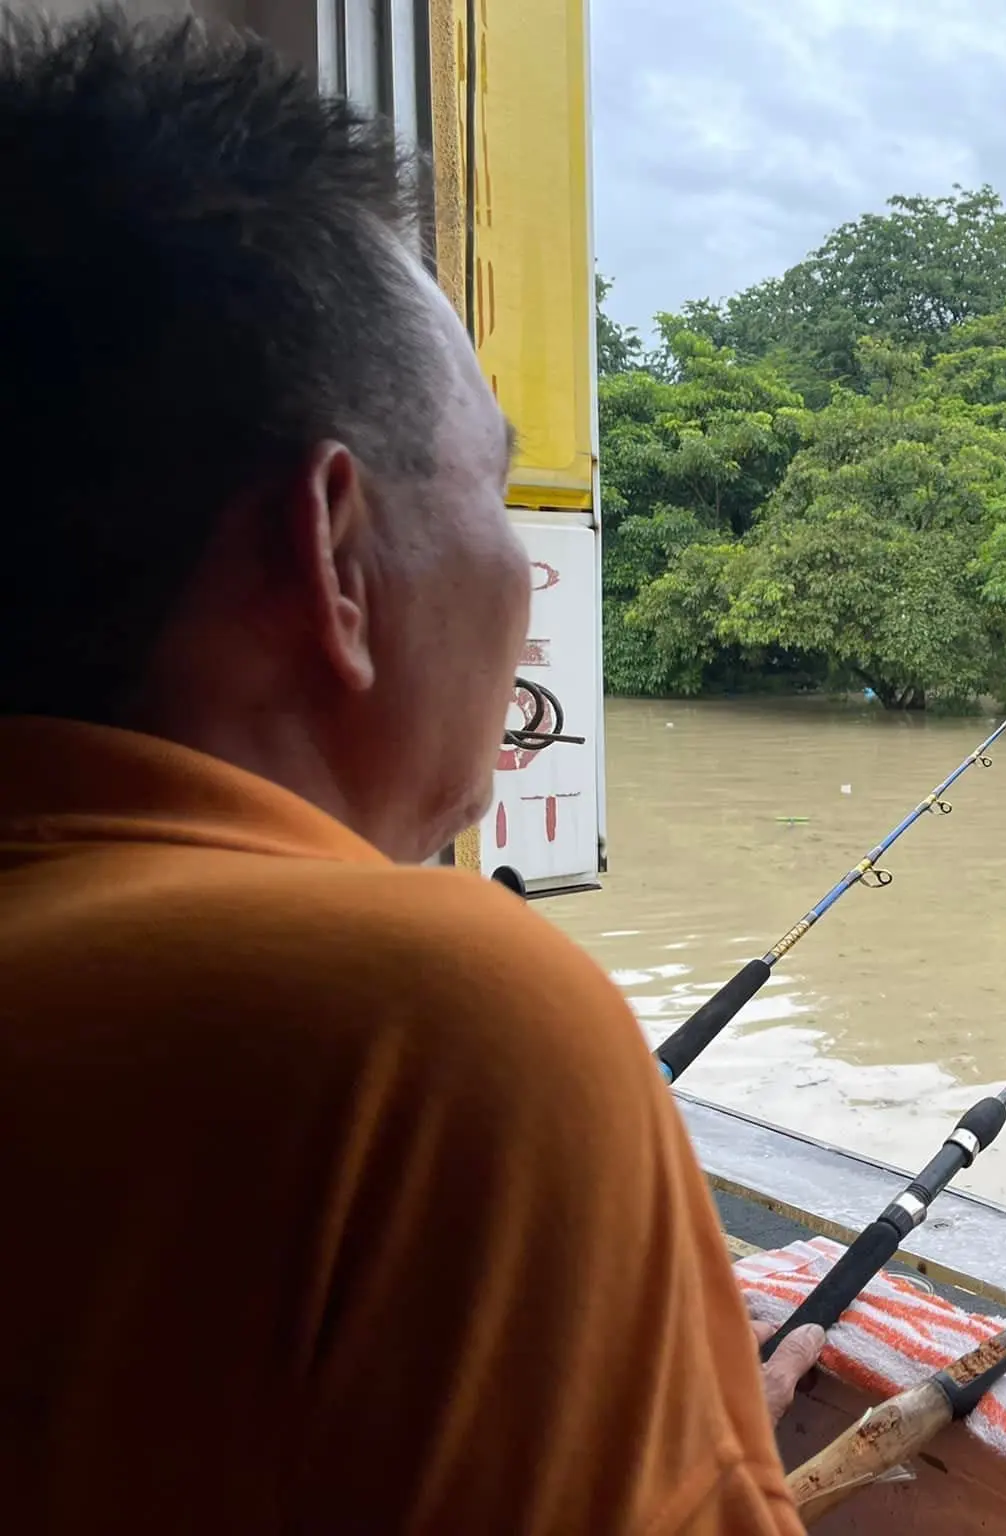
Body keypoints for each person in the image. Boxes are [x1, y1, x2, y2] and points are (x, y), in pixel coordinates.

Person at [0, 12, 823, 1533]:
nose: (524, 574)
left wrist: (625, 1414)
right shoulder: (414, 1018)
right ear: (334, 552)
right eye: (494, 489)